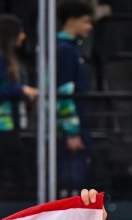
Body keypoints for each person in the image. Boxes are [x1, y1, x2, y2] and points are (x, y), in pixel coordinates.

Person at [0, 14, 38, 201]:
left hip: (7, 124)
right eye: (20, 32)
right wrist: (21, 90)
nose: (23, 36)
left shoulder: (6, 59)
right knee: (16, 171)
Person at [56, 0, 94, 198]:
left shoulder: (71, 49)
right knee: (70, 180)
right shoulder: (64, 50)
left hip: (76, 126)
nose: (89, 27)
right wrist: (71, 132)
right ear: (72, 21)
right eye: (86, 21)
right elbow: (63, 92)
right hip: (68, 131)